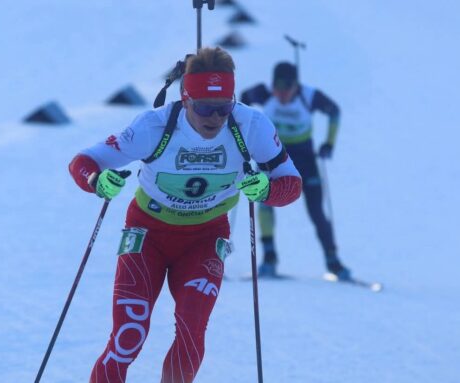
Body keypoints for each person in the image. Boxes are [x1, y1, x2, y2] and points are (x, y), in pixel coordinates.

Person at [68, 47, 302, 383]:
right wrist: (96, 181)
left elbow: (291, 184)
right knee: (127, 338)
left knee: (192, 329)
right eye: (204, 108)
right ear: (185, 98)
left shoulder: (251, 126)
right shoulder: (154, 126)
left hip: (206, 238)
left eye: (223, 108)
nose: (214, 119)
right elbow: (83, 162)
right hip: (148, 234)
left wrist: (267, 189)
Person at [241, 61, 351, 279]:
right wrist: (244, 135)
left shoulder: (309, 96)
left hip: (305, 157)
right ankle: (269, 258)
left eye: (287, 90)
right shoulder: (263, 93)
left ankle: (333, 261)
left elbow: (334, 111)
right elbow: (242, 99)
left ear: (295, 87)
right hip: (272, 155)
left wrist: (329, 143)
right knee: (263, 200)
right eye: (277, 89)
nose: (281, 95)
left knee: (316, 210)